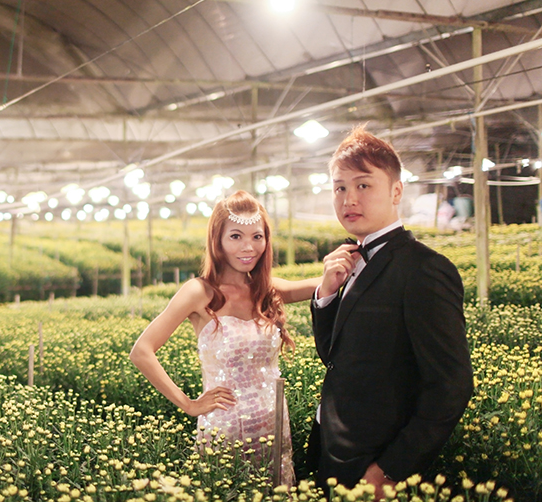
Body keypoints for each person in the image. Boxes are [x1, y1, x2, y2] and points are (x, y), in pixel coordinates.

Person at [309, 126, 473, 497]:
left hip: (376, 466)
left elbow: (452, 386)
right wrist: (326, 294)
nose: (349, 199)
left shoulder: (424, 269)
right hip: (332, 451)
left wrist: (390, 470)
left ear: (396, 191)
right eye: (340, 187)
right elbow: (333, 358)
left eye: (363, 185)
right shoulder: (348, 260)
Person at [130, 190, 321, 486]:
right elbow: (141, 351)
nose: (248, 246)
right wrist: (189, 404)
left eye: (257, 236)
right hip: (226, 429)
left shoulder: (267, 288)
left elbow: (322, 285)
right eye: (235, 236)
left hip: (274, 426)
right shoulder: (199, 292)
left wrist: (354, 259)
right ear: (217, 240)